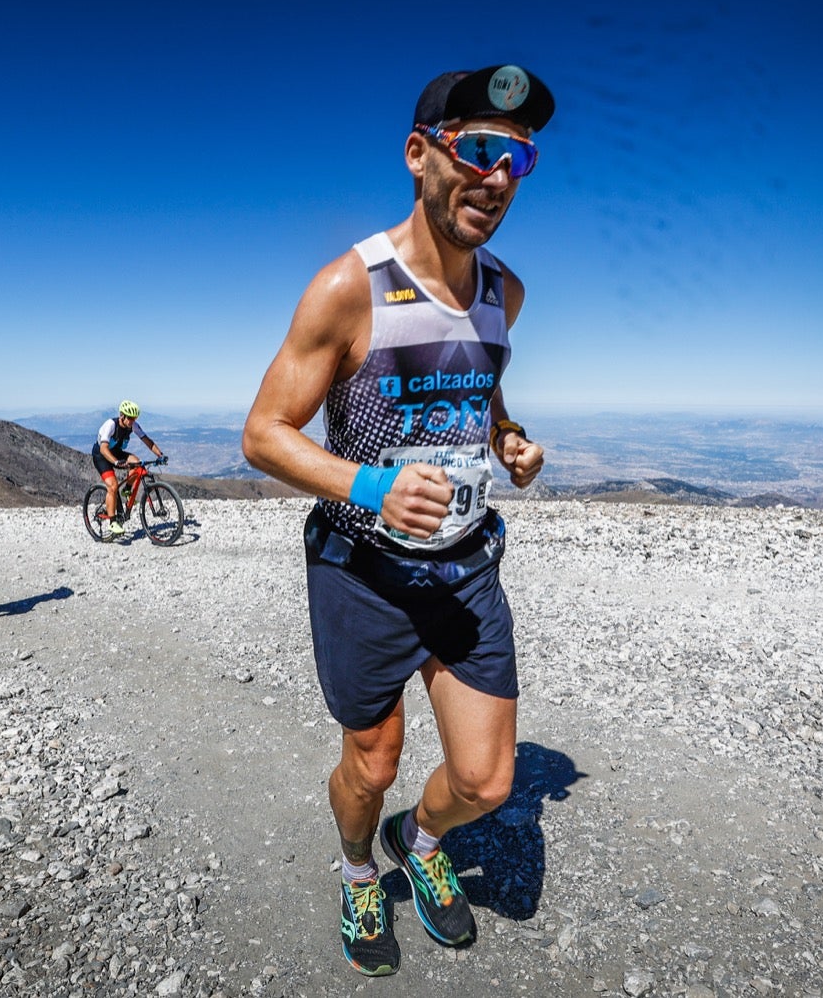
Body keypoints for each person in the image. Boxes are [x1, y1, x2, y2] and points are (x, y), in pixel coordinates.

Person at [241, 64, 552, 976]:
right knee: (370, 764)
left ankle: (419, 842)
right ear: (421, 156)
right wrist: (369, 487)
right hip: (364, 571)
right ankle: (357, 866)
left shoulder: (507, 293)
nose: (497, 177)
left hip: (463, 565)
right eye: (480, 149)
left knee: (488, 780)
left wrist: (512, 439)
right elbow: (264, 434)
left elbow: (480, 387)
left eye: (520, 159)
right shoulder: (351, 287)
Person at [91, 400, 163, 536]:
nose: (132, 421)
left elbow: (147, 440)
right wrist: (116, 462)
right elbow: (104, 448)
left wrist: (160, 454)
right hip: (101, 455)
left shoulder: (133, 425)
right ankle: (113, 522)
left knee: (138, 464)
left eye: (134, 418)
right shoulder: (110, 425)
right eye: (129, 418)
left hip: (116, 452)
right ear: (122, 416)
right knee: (112, 486)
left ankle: (127, 490)